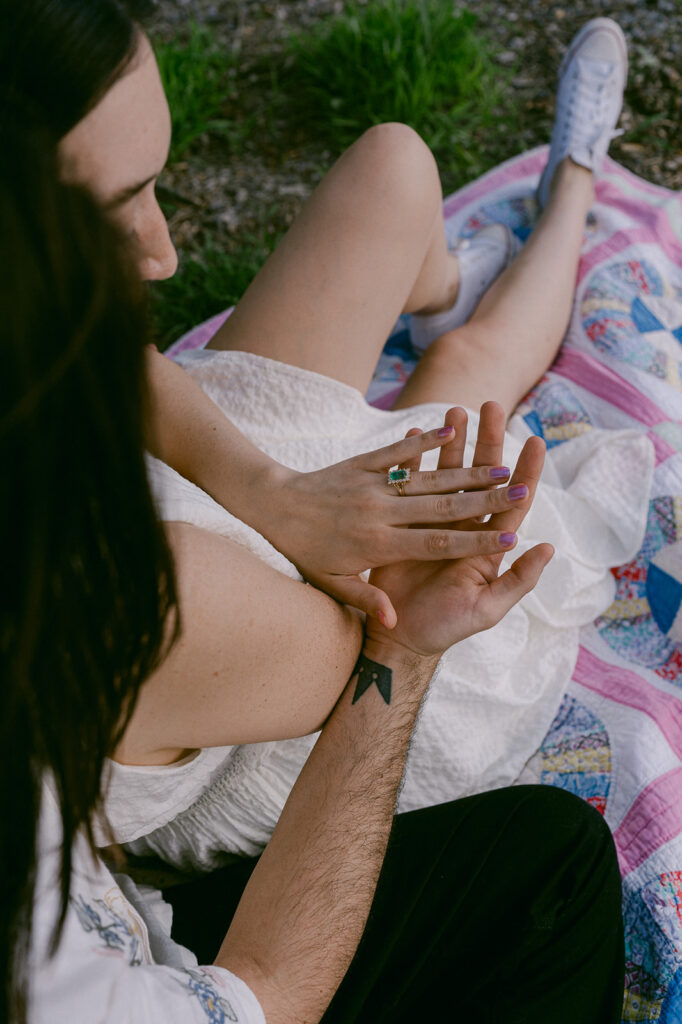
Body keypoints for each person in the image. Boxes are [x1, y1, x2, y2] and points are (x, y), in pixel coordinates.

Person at [0, 4, 653, 867]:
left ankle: (449, 282)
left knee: (393, 168)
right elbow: (378, 641)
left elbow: (118, 363)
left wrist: (270, 491)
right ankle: (575, 180)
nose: (164, 257)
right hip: (300, 703)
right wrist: (331, 512)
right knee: (468, 377)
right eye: (112, 211)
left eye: (154, 186)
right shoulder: (137, 601)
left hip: (210, 501)